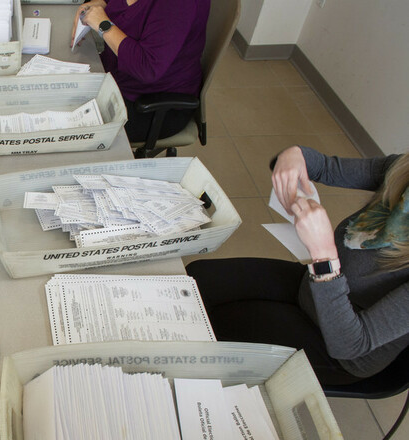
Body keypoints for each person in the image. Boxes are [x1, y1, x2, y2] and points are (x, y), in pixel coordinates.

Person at [186, 146, 409, 386]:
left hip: (338, 347)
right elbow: (325, 167)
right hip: (314, 288)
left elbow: (352, 343)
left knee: (211, 324)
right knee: (194, 279)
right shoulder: (402, 170)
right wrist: (294, 155)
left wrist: (323, 254)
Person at [72, 0, 210, 143]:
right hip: (116, 75)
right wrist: (100, 4)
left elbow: (147, 67)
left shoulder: (178, 4)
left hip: (149, 103)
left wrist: (103, 25)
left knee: (68, 127)